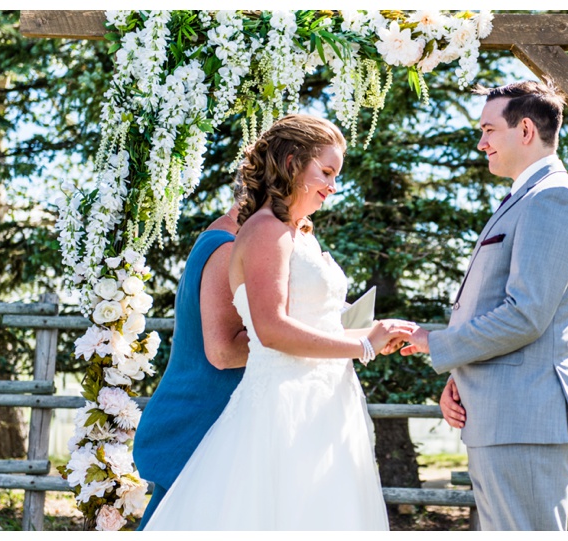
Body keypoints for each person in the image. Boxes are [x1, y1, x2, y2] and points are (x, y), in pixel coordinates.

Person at [144, 114, 414, 530]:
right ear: (290, 163)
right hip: (278, 406)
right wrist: (362, 346)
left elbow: (310, 324)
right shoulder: (263, 232)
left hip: (321, 403)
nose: (332, 186)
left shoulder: (298, 234)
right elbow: (268, 331)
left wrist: (376, 334)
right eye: (325, 172)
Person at [401, 80, 568, 531]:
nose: (481, 141)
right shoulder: (525, 197)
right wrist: (461, 376)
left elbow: (525, 315)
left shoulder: (554, 197)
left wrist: (438, 342)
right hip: (502, 412)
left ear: (525, 130)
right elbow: (492, 303)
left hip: (525, 415)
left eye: (489, 129)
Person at [133, 183, 248, 529]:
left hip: (211, 420)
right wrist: (294, 337)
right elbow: (223, 351)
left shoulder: (222, 238)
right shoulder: (226, 249)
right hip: (199, 421)